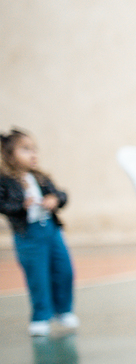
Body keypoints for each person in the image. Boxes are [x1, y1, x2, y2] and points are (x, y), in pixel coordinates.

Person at [0, 129, 77, 336]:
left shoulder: (41, 178)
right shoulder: (6, 182)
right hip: (29, 235)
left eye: (34, 149)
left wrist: (55, 199)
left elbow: (62, 194)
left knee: (64, 270)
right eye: (26, 149)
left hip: (51, 231)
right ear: (9, 155)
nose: (33, 154)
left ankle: (64, 309)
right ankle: (41, 315)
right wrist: (21, 206)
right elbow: (3, 205)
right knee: (38, 277)